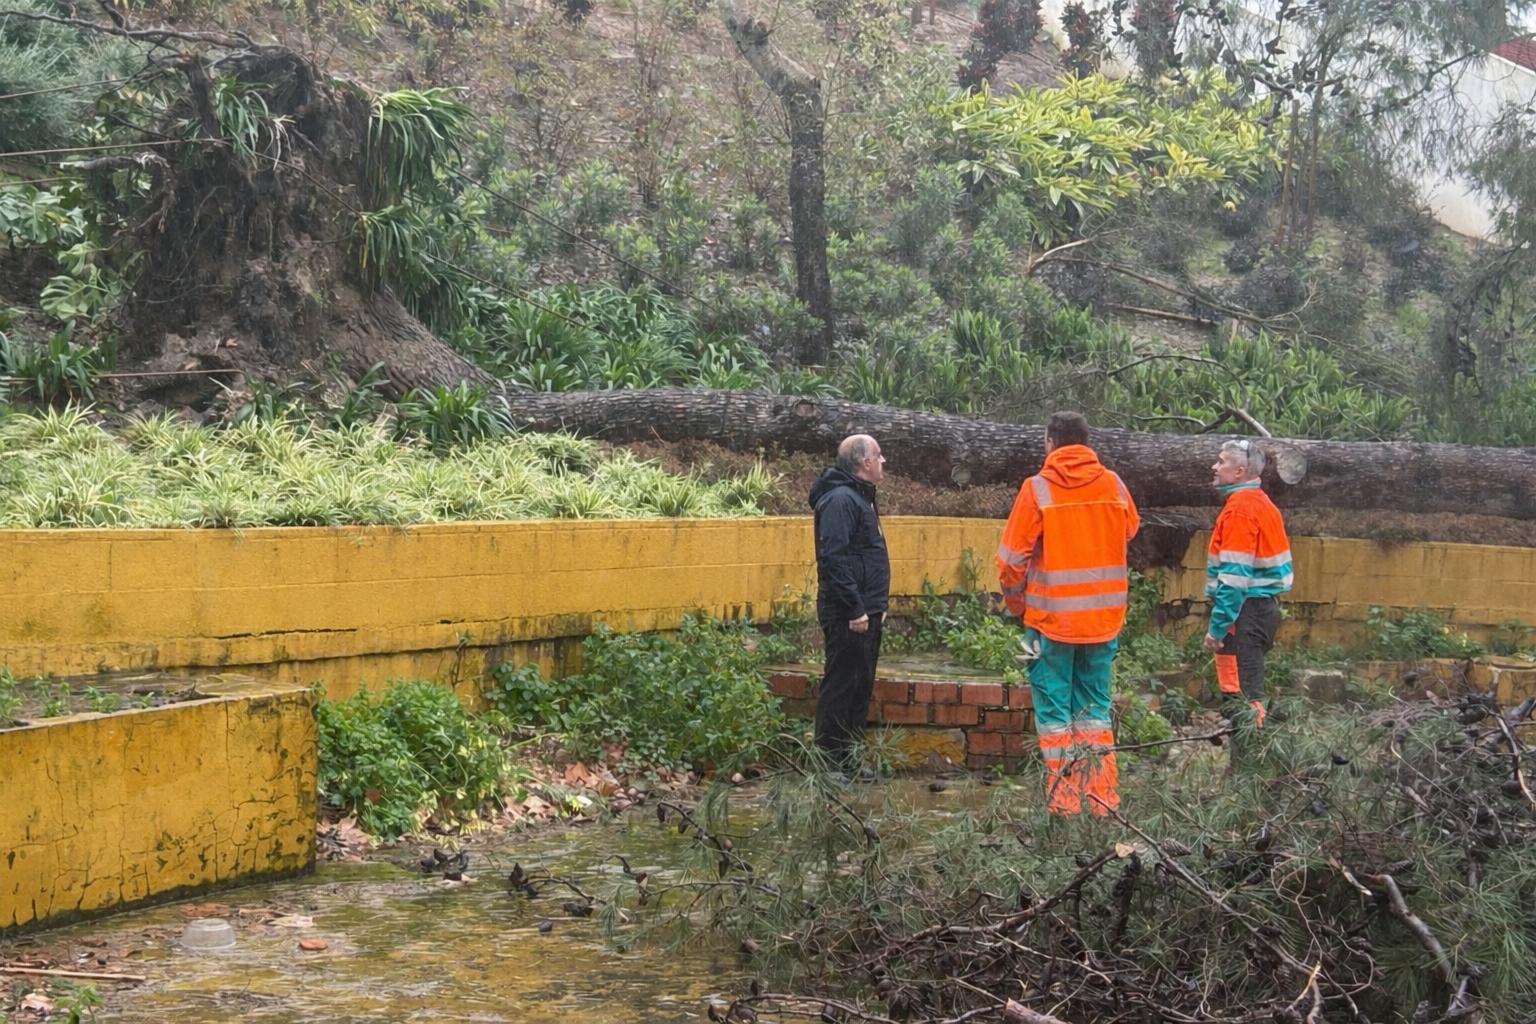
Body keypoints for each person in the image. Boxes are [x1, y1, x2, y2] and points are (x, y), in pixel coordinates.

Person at [996, 413, 1139, 816]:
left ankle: (1064, 803)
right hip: (1102, 623)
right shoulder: (1114, 484)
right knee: (1094, 712)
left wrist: (1016, 605)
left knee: (1054, 714)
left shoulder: (1037, 488)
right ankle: (1102, 800)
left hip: (1048, 624)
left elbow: (1011, 561)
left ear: (1050, 442)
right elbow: (1130, 529)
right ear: (1086, 442)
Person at [809, 434, 890, 781]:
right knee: (841, 685)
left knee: (860, 686)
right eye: (879, 455)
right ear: (864, 462)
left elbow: (866, 555)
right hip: (848, 613)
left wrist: (877, 605)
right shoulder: (841, 500)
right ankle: (827, 763)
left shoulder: (861, 497)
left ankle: (850, 758)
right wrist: (855, 608)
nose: (883, 461)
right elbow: (834, 558)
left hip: (867, 611)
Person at [1202, 439, 1293, 736]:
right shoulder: (1262, 504)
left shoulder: (1240, 511)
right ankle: (1247, 755)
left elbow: (1234, 579)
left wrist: (1217, 628)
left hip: (1245, 613)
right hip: (1258, 610)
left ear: (1239, 471)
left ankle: (1253, 756)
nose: (1215, 467)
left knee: (1243, 698)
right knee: (1241, 691)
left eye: (1221, 461)